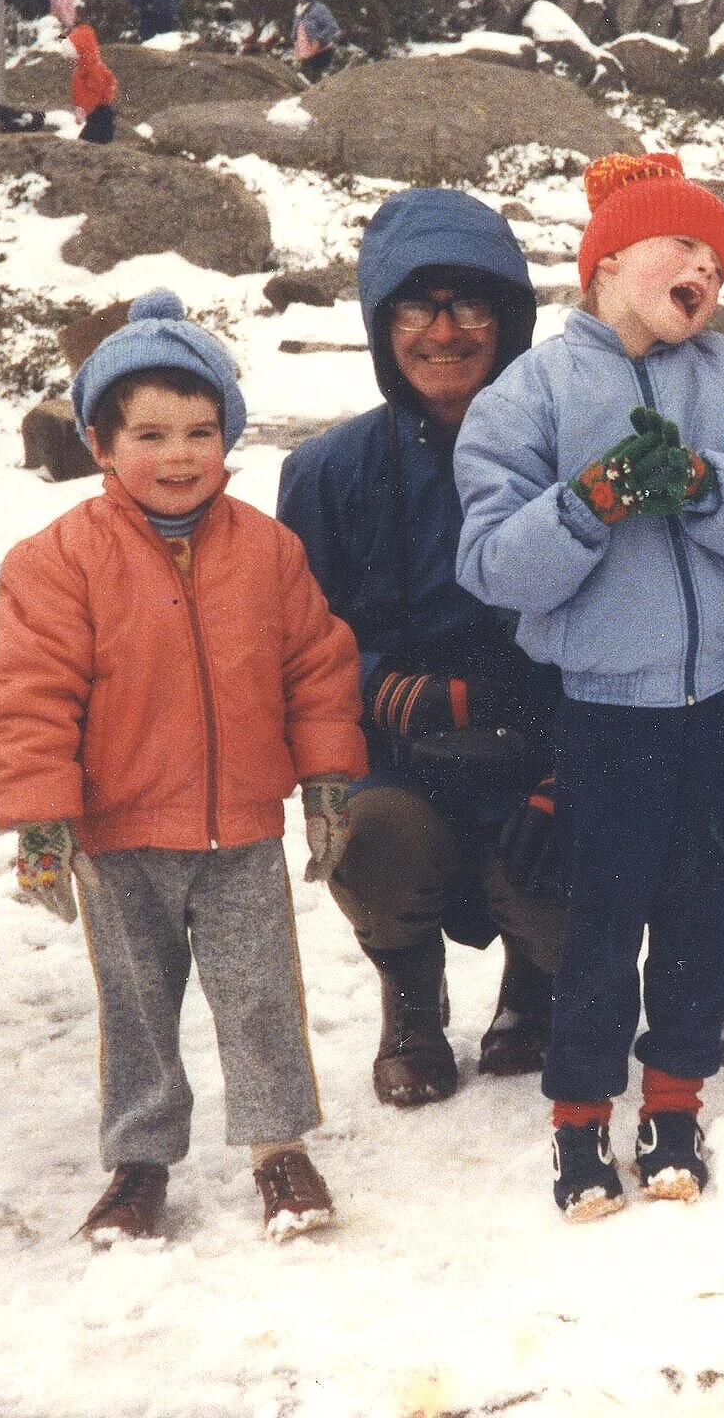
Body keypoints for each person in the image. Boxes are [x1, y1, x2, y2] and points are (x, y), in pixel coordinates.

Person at [454, 153, 724, 1221]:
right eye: (682, 245)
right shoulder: (534, 390)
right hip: (609, 708)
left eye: (718, 253)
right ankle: (578, 1117)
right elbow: (487, 560)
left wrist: (702, 483)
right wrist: (591, 501)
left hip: (720, 698)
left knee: (707, 907)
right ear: (609, 263)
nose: (705, 265)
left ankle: (673, 1101)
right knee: (601, 920)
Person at [0, 289, 368, 1246]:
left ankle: (278, 1148)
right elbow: (32, 696)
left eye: (201, 430)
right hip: (120, 838)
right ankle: (140, 1161)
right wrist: (43, 819)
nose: (179, 454)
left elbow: (316, 670)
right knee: (138, 1004)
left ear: (229, 439)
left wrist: (324, 780)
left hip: (239, 831)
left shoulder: (269, 551)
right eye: (149, 434)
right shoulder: (57, 561)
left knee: (260, 995)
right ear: (101, 446)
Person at [278, 189, 566, 1108]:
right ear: (380, 324)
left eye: (471, 304)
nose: (444, 331)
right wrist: (395, 694)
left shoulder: (572, 456)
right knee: (370, 836)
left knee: (583, 834)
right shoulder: (325, 474)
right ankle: (409, 993)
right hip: (397, 762)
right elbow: (297, 645)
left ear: (510, 319)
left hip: (541, 749)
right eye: (416, 305)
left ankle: (537, 982)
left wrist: (538, 734)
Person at [68, 12, 117, 144]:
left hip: (99, 111)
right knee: (91, 141)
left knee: (89, 141)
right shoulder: (82, 68)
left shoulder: (93, 69)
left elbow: (94, 92)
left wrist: (83, 108)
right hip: (93, 112)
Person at [293, 0, 341, 81]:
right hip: (305, 53)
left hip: (320, 52)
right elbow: (298, 30)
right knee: (305, 81)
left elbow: (332, 26)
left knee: (317, 81)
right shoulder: (299, 10)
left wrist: (319, 39)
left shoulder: (318, 9)